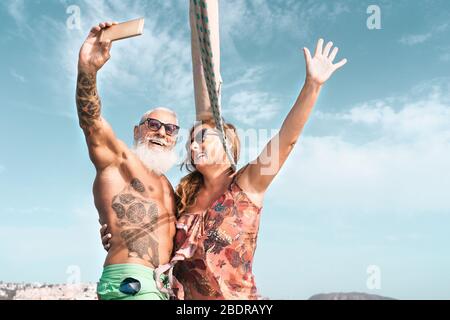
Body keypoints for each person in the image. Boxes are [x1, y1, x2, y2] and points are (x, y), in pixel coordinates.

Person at [156, 38, 347, 299]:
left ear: (227, 145)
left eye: (202, 138)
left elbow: (286, 140)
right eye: (190, 141)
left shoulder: (247, 184)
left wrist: (312, 86)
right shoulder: (183, 197)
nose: (193, 146)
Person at [76, 21, 179, 300]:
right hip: (131, 282)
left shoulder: (169, 187)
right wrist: (88, 69)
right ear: (137, 130)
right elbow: (92, 124)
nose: (162, 133)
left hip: (161, 286)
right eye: (154, 124)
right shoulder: (119, 162)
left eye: (171, 129)